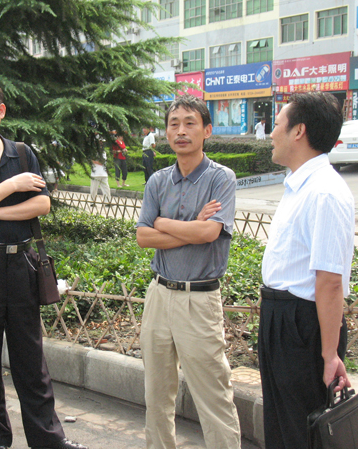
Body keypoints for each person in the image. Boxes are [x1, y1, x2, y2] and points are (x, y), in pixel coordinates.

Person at [0, 79, 87, 449]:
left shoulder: (22, 154)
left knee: (31, 358)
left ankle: (48, 440)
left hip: (22, 263)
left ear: (0, 111)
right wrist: (13, 185)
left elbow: (41, 205)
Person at [136, 94, 242, 449]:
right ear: (166, 133)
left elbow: (209, 233)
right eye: (174, 124)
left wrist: (164, 223)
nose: (181, 131)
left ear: (206, 130)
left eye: (189, 123)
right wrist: (190, 227)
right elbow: (143, 237)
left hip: (199, 300)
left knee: (214, 397)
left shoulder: (221, 179)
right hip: (159, 295)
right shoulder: (157, 181)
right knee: (156, 395)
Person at [259, 92, 355, 449]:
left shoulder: (325, 192)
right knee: (282, 425)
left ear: (298, 131)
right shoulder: (300, 184)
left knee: (303, 429)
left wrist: (329, 355)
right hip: (281, 317)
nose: (271, 134)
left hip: (301, 325)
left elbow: (329, 282)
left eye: (277, 125)